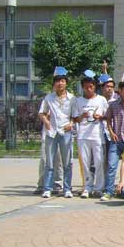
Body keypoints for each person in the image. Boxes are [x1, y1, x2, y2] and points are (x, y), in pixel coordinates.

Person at [38, 67, 75, 199]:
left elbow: (75, 116)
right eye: (58, 81)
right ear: (54, 84)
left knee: (67, 162)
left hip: (66, 132)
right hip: (52, 133)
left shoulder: (72, 98)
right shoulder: (49, 98)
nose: (60, 83)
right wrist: (46, 122)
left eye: (62, 81)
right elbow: (42, 113)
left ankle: (67, 189)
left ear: (66, 83)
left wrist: (71, 123)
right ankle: (47, 189)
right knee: (49, 162)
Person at [72, 71, 109, 198]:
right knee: (85, 163)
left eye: (91, 87)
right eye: (86, 87)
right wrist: (82, 116)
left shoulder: (101, 100)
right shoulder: (78, 101)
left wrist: (100, 117)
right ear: (83, 87)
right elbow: (75, 118)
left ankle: (99, 187)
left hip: (97, 136)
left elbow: (107, 116)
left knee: (99, 162)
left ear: (95, 87)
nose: (88, 89)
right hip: (83, 136)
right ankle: (87, 187)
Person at [102, 76, 124, 201]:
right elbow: (108, 119)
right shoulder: (113, 105)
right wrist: (111, 132)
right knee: (112, 165)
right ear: (120, 91)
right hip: (116, 140)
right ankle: (109, 191)